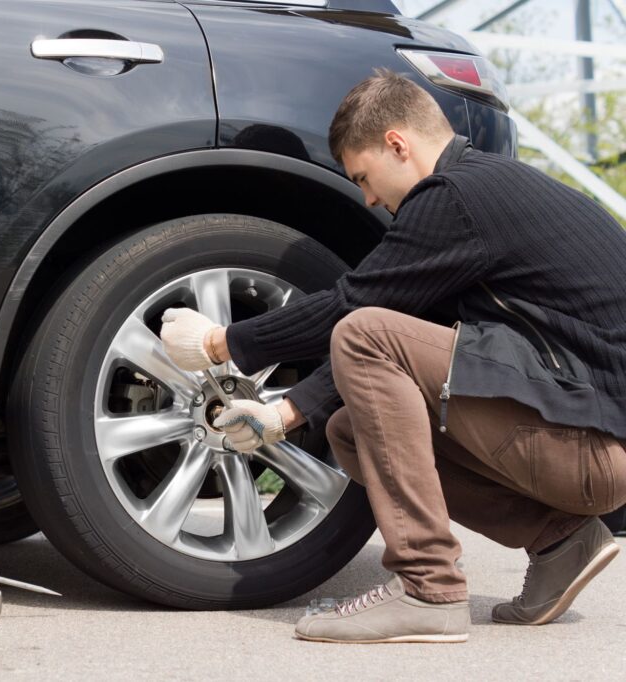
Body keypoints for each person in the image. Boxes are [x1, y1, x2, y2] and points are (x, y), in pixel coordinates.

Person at [159, 69, 626, 644]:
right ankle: (561, 541)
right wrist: (286, 414)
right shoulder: (488, 189)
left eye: (364, 176)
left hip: (590, 446)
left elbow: (354, 308)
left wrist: (220, 343)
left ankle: (428, 589)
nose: (369, 198)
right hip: (589, 437)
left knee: (364, 331)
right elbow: (410, 333)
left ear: (397, 144)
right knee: (351, 428)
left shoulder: (453, 198)